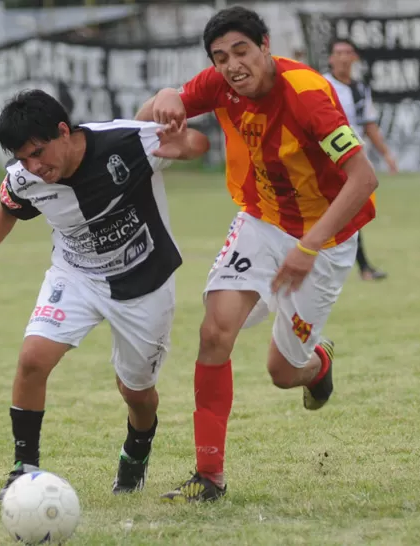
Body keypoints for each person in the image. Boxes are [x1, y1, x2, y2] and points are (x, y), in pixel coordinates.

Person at [135, 6, 379, 503]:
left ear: (265, 45)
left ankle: (319, 366)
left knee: (282, 373)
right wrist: (164, 97)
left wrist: (309, 247)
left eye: (241, 51)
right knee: (213, 332)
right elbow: (150, 119)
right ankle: (210, 478)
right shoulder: (218, 84)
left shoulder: (309, 96)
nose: (231, 65)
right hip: (261, 223)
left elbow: (363, 179)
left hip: (326, 240)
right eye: (220, 57)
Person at [0, 89, 210, 498]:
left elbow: (198, 143)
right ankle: (24, 468)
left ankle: (137, 449)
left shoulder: (124, 142)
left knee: (137, 393)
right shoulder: (26, 177)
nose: (35, 167)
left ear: (63, 131)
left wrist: (187, 144)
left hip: (144, 281)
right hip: (76, 275)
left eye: (38, 152)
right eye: (23, 159)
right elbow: (7, 209)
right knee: (32, 360)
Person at [324, 38, 395, 281]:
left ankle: (361, 267)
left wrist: (385, 153)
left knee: (350, 211)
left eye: (348, 52)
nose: (343, 57)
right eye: (338, 52)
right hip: (325, 158)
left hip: (351, 159)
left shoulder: (359, 89)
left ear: (354, 58)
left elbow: (369, 125)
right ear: (331, 58)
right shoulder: (322, 84)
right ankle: (361, 267)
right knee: (342, 210)